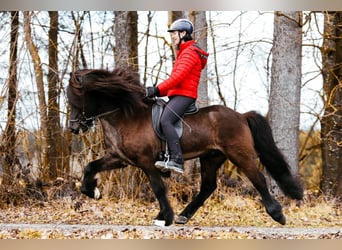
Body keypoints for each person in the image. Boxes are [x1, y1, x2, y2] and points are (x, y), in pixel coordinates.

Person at [146, 18, 209, 174]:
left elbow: (177, 78)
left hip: (185, 96)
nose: (172, 36)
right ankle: (165, 155)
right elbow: (176, 84)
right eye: (172, 33)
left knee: (166, 120)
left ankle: (177, 159)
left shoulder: (190, 52)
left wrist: (156, 89)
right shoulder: (184, 53)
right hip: (178, 94)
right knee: (158, 116)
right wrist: (157, 92)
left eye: (174, 33)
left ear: (183, 33)